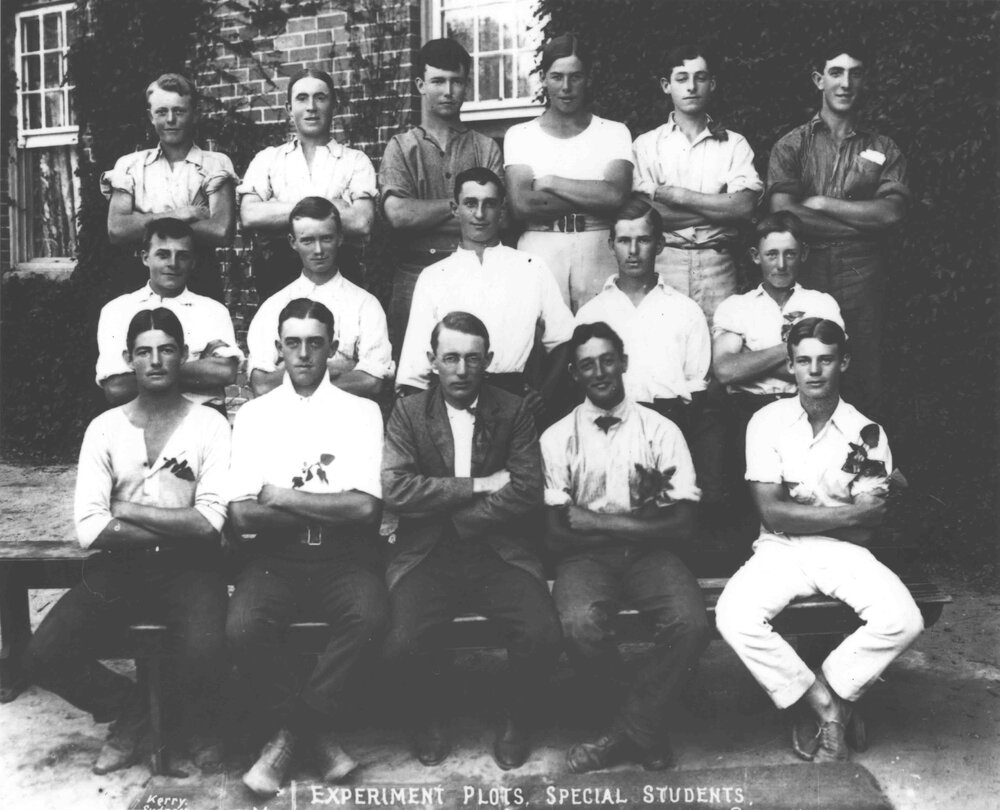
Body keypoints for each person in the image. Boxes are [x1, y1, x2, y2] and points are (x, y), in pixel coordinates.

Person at [23, 308, 231, 775]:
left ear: (182, 356)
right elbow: (90, 529)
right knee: (45, 653)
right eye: (144, 351)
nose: (156, 360)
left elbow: (209, 523)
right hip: (120, 567)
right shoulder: (105, 428)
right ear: (128, 360)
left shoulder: (210, 426)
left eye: (166, 350)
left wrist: (128, 509)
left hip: (191, 567)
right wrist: (175, 520)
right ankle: (137, 710)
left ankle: (190, 725)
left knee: (206, 649)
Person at [715, 318, 923, 763]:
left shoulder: (868, 433)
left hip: (842, 551)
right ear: (789, 365)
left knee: (904, 618)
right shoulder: (766, 421)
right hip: (779, 548)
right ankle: (827, 707)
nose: (814, 371)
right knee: (734, 617)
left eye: (825, 360)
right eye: (804, 360)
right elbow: (771, 512)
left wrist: (804, 517)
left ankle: (828, 689)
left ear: (842, 362)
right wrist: (846, 513)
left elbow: (866, 530)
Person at [382, 312, 561, 770]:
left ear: (489, 361)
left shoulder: (513, 409)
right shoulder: (408, 412)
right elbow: (398, 489)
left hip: (498, 549)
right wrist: (478, 485)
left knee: (540, 634)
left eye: (473, 359)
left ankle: (517, 719)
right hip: (427, 551)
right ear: (432, 361)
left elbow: (525, 489)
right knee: (401, 642)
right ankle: (426, 717)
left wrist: (457, 519)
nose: (462, 370)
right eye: (451, 358)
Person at [227, 298, 389, 796]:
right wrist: (324, 501)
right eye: (292, 343)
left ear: (333, 348)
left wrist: (281, 495)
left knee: (369, 618)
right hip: (276, 556)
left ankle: (286, 738)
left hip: (345, 554)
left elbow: (365, 510)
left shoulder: (361, 412)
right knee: (243, 628)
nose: (303, 354)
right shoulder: (254, 415)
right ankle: (317, 735)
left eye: (315, 343)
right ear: (278, 349)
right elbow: (241, 513)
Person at [541, 322, 710, 773]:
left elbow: (684, 525)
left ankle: (625, 731)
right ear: (575, 375)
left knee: (691, 623)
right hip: (585, 559)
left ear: (624, 362)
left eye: (607, 360)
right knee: (578, 624)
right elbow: (556, 536)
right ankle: (642, 726)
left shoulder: (661, 430)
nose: (599, 372)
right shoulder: (556, 439)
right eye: (587, 365)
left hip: (650, 558)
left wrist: (597, 521)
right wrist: (640, 525)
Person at [767, 39, 910, 415]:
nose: (845, 83)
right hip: (806, 270)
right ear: (819, 79)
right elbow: (785, 216)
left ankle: (869, 470)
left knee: (864, 372)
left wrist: (822, 204)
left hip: (862, 274)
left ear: (864, 82)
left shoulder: (883, 147)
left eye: (855, 73)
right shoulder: (791, 146)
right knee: (805, 364)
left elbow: (891, 215)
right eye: (836, 72)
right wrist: (862, 222)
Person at [575, 197, 721, 506]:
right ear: (611, 244)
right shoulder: (591, 314)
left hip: (674, 423)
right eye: (624, 241)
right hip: (607, 427)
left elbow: (697, 390)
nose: (633, 250)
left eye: (642, 240)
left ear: (659, 244)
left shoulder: (685, 310)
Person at [395, 168, 574, 411]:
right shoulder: (433, 277)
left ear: (501, 209)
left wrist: (543, 393)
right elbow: (415, 370)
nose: (480, 214)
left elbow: (564, 338)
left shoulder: (531, 267)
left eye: (489, 204)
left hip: (512, 399)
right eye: (470, 203)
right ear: (455, 208)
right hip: (452, 401)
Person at [379, 38, 504, 351]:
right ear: (421, 84)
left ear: (466, 86)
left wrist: (426, 215)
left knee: (477, 367)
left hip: (478, 274)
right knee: (415, 376)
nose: (448, 91)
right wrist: (464, 210)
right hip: (415, 276)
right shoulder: (401, 147)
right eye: (438, 81)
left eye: (457, 82)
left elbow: (499, 219)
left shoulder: (485, 147)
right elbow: (398, 215)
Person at [713, 213, 844, 500]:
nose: (781, 264)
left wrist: (753, 360)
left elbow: (828, 372)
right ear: (755, 256)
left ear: (803, 254)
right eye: (772, 254)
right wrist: (792, 352)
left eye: (790, 254)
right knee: (749, 507)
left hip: (806, 413)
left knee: (808, 497)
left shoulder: (821, 304)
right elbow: (725, 370)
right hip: (748, 413)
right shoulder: (736, 307)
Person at [632, 44, 762, 325]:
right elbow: (646, 216)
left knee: (719, 351)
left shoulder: (734, 143)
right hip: (666, 262)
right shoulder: (646, 145)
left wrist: (677, 196)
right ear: (666, 85)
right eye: (681, 78)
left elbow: (743, 207)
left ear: (712, 83)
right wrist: (718, 207)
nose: (691, 86)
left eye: (700, 78)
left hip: (718, 265)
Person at [505, 33, 632, 312]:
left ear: (587, 79)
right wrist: (593, 193)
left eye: (575, 76)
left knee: (602, 340)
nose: (566, 87)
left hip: (599, 248)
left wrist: (550, 182)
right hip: (541, 249)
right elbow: (522, 204)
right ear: (544, 78)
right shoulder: (521, 135)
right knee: (547, 341)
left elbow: (615, 196)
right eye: (556, 76)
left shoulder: (613, 132)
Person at [239, 68, 376, 299]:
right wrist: (333, 206)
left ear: (334, 105)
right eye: (302, 98)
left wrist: (276, 209)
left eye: (320, 97)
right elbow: (250, 215)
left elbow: (361, 221)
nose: (311, 106)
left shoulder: (355, 160)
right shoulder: (268, 159)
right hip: (279, 273)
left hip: (341, 271)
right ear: (289, 108)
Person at [102, 73, 237, 299]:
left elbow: (220, 231)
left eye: (179, 111)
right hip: (139, 275)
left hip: (198, 275)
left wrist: (142, 220)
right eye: (162, 112)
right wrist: (181, 214)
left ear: (194, 114)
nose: (170, 119)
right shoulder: (130, 166)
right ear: (150, 117)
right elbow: (117, 229)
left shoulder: (215, 164)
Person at [244, 196, 392, 399]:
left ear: (340, 238)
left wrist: (291, 375)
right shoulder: (274, 306)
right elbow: (262, 385)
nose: (318, 250)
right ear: (293, 242)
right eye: (307, 240)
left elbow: (371, 382)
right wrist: (337, 369)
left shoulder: (365, 305)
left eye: (326, 238)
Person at [95, 218, 242, 411]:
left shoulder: (213, 311)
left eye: (182, 256)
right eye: (163, 255)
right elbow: (117, 388)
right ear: (145, 257)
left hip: (201, 420)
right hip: (138, 422)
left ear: (193, 261)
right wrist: (196, 365)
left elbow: (225, 372)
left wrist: (146, 371)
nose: (173, 264)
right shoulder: (117, 310)